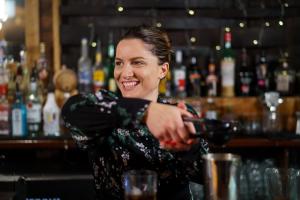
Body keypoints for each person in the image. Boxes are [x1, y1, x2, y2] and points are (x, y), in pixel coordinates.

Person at [61, 25, 209, 200]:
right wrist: (146, 111)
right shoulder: (105, 108)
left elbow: (206, 176)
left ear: (163, 70)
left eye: (137, 62)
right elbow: (72, 109)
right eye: (119, 63)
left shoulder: (178, 113)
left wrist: (188, 149)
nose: (124, 73)